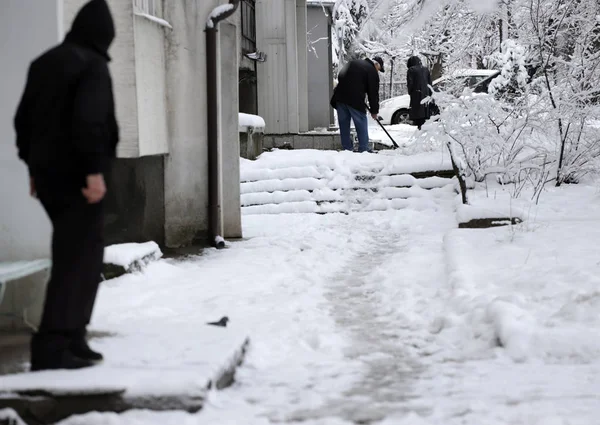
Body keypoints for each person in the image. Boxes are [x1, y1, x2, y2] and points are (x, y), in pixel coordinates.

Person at [14, 0, 119, 371]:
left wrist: (32, 169)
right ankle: (53, 346)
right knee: (78, 261)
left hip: (48, 179)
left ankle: (74, 336)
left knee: (77, 255)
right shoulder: (91, 65)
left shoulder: (44, 62)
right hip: (79, 179)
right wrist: (93, 173)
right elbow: (89, 121)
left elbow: (23, 121)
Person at [330, 56, 385, 152]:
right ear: (376, 65)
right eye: (379, 69)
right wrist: (374, 111)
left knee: (344, 124)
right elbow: (373, 93)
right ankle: (364, 149)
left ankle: (347, 148)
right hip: (355, 100)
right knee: (361, 122)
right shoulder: (371, 71)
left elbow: (340, 76)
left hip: (340, 97)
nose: (378, 72)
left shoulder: (353, 63)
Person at [406, 55, 433, 130]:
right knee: (424, 112)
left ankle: (419, 126)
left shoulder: (411, 70)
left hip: (416, 93)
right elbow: (430, 82)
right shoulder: (425, 69)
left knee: (417, 111)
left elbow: (410, 83)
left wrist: (410, 91)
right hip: (426, 94)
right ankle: (422, 125)